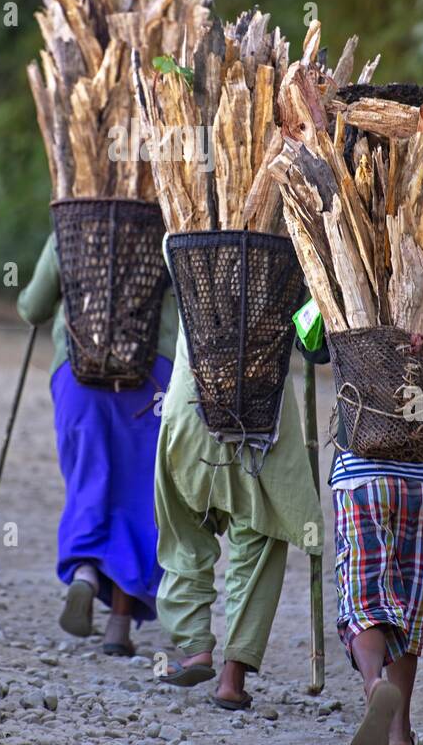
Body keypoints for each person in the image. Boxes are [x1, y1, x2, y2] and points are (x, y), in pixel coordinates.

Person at [311, 334, 423, 745]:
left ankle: (374, 684)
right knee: (410, 608)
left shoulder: (351, 314)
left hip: (364, 474)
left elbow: (310, 343)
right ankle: (400, 732)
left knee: (364, 598)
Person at [155, 282, 323, 711]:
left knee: (184, 530)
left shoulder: (180, 235)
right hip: (264, 419)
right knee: (261, 536)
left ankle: (195, 647)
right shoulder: (295, 252)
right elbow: (312, 339)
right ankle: (232, 677)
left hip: (190, 410)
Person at [18, 232, 178, 655]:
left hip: (79, 376)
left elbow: (34, 308)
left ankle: (85, 573)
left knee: (89, 485)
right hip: (152, 383)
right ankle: (118, 628)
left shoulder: (68, 229)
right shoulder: (169, 230)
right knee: (141, 499)